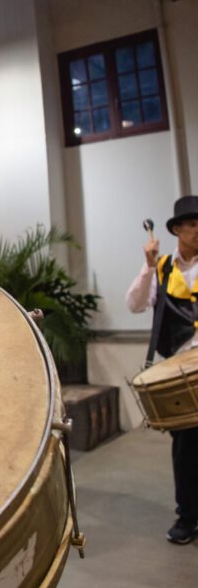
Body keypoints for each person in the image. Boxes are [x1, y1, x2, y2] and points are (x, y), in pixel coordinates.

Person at [127, 195, 198, 545]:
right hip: (179, 374)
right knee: (186, 449)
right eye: (192, 224)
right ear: (177, 230)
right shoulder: (163, 268)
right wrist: (148, 266)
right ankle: (187, 517)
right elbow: (135, 304)